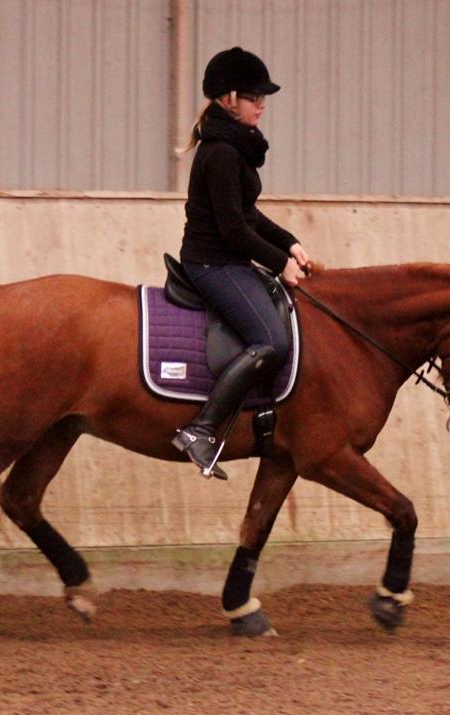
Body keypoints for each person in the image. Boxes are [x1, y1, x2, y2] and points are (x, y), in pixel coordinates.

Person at [172, 47, 311, 480]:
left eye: (263, 97)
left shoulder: (232, 148)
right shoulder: (222, 153)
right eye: (254, 97)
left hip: (228, 260)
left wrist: (289, 244)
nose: (262, 104)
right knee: (270, 342)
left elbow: (247, 214)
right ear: (229, 98)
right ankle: (202, 429)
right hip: (213, 265)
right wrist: (278, 262)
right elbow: (233, 230)